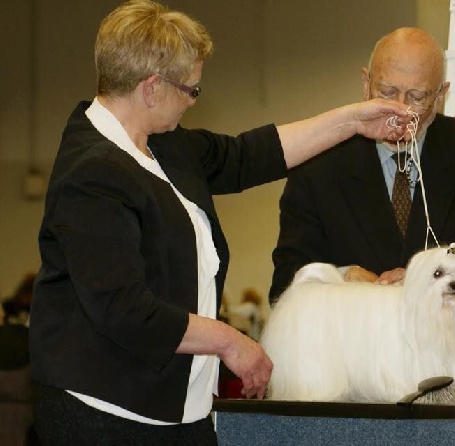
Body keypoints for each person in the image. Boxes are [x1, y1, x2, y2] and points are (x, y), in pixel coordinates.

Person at [29, 1, 410, 444]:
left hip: (178, 408)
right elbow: (124, 310)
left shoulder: (163, 146)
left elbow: (250, 156)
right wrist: (230, 341)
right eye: (192, 90)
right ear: (152, 88)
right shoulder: (92, 172)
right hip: (105, 412)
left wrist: (352, 121)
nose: (194, 101)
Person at [269, 27, 455, 401]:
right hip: (349, 392)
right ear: (365, 83)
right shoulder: (317, 159)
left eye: (417, 97)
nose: (399, 110)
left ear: (441, 96)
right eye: (386, 92)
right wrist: (342, 277)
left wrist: (427, 283)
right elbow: (287, 280)